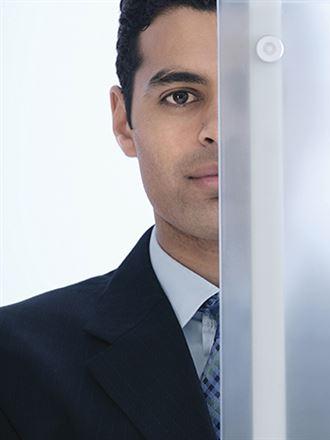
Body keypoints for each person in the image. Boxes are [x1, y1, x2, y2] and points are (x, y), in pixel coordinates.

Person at [0, 1, 222, 438]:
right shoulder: (12, 362)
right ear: (124, 121)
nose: (218, 128)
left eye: (254, 94)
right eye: (180, 96)